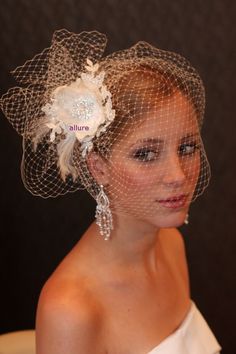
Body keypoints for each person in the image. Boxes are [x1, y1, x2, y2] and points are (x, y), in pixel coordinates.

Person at [1, 29, 222, 353]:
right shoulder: (71, 309)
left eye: (187, 147)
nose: (177, 175)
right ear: (98, 167)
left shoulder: (172, 245)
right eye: (145, 154)